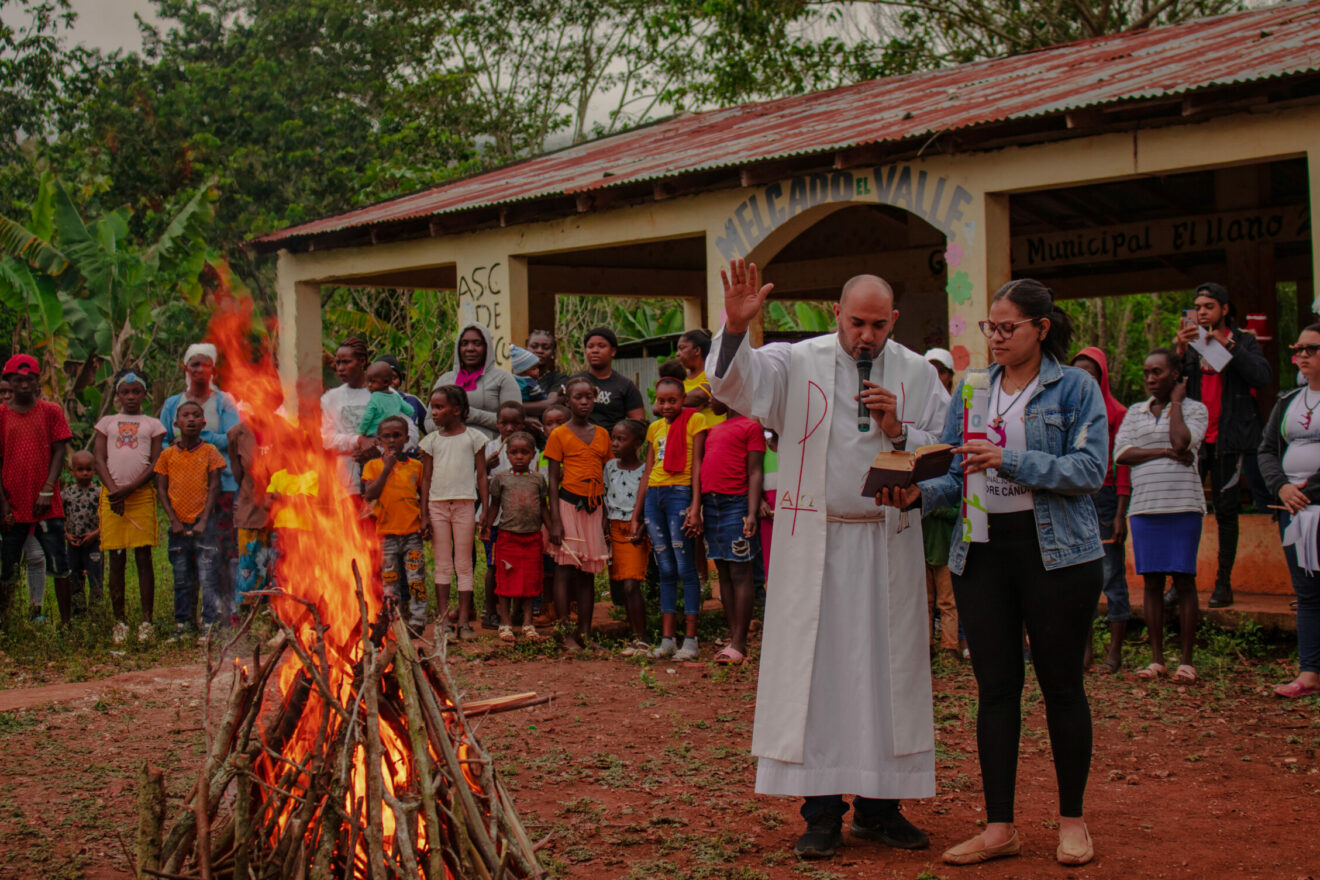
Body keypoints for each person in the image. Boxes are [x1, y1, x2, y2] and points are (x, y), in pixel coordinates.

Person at [709, 260, 949, 859]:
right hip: (812, 543)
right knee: (817, 679)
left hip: (886, 542)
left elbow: (939, 447)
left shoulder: (917, 372)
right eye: (855, 322)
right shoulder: (799, 360)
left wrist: (899, 432)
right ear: (835, 315)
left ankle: (878, 808)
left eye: (877, 325)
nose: (865, 336)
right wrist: (737, 328)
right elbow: (736, 386)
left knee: (884, 676)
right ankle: (819, 813)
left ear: (893, 321)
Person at [917, 278, 1107, 868]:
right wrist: (913, 495)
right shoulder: (973, 390)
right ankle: (1000, 827)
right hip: (983, 552)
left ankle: (1072, 822)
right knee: (995, 691)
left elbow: (1090, 468)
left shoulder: (1074, 386)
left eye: (1007, 328)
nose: (995, 339)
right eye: (988, 328)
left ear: (1040, 329)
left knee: (1061, 688)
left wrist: (1010, 458)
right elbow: (953, 472)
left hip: (1057, 555)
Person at [1173, 282, 1271, 608]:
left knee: (1227, 513)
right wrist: (1179, 351)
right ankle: (1179, 583)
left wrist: (1227, 344)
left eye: (1209, 306)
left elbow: (1261, 376)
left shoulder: (1244, 341)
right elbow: (1171, 387)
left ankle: (1223, 584)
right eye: (1198, 307)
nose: (1202, 312)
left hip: (1229, 442)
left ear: (1224, 309)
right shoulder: (1191, 344)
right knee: (1186, 513)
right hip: (1195, 443)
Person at [1115, 349, 1208, 685]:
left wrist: (1178, 404)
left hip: (1183, 506)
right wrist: (1165, 452)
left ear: (1176, 374)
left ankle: (1186, 661)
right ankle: (1157, 660)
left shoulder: (1196, 410)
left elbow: (1182, 442)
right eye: (1147, 373)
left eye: (1158, 372)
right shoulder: (1134, 413)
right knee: (1151, 583)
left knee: (1184, 581)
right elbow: (1122, 454)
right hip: (1144, 508)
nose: (1151, 379)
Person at [1256, 323, 1320, 698]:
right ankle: (1309, 673)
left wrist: (1307, 490)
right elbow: (1266, 450)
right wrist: (1281, 486)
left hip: (1311, 501)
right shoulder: (1288, 401)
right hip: (1292, 510)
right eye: (1299, 349)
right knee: (1307, 593)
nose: (1303, 355)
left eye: (1312, 348)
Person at [159, 343, 241, 621]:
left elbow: (233, 437)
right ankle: (187, 618)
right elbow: (162, 441)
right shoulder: (172, 404)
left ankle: (226, 609)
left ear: (213, 369)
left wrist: (199, 439)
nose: (199, 369)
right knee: (187, 555)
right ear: (186, 368)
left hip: (224, 486)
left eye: (205, 364)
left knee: (224, 550)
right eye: (194, 364)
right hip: (184, 490)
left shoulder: (224, 401)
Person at [635, 377, 708, 661]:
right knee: (664, 567)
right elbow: (647, 470)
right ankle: (667, 640)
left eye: (672, 400)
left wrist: (695, 505)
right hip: (655, 496)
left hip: (680, 493)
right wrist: (636, 514)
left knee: (685, 566)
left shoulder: (696, 420)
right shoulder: (654, 429)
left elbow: (699, 464)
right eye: (661, 401)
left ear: (682, 400)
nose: (666, 406)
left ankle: (690, 640)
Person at [1071, 346, 1134, 673]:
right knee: (1080, 578)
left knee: (1111, 575)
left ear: (1103, 377)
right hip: (1075, 495)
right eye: (1079, 375)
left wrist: (1121, 512)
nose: (1085, 382)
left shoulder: (1117, 412)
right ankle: (1085, 652)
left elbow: (1123, 465)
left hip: (1107, 497)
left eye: (1092, 375)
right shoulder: (1069, 409)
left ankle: (1115, 653)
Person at [0, 354, 74, 626]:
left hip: (48, 505)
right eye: (17, 380)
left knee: (59, 563)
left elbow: (59, 450)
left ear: (37, 381)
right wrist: (4, 506)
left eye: (29, 380)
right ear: (8, 381)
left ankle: (66, 624)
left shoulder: (51, 411)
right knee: (8, 567)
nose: (23, 386)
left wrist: (47, 488)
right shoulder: (1, 415)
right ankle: (5, 626)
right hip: (13, 505)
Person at [94, 370, 166, 642]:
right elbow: (99, 459)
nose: (131, 397)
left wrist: (129, 489)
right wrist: (114, 491)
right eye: (125, 392)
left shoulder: (153, 425)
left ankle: (146, 622)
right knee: (116, 558)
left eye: (136, 392)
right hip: (112, 498)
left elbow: (155, 463)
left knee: (143, 557)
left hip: (140, 496)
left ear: (145, 394)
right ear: (118, 395)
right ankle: (119, 622)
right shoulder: (107, 423)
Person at [544, 376, 612, 651]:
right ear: (567, 400)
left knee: (587, 573)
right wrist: (556, 522)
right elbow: (551, 481)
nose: (584, 402)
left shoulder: (603, 435)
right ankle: (563, 631)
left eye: (588, 397)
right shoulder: (559, 435)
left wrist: (605, 516)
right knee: (564, 570)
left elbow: (605, 476)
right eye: (578, 398)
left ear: (594, 398)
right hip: (567, 507)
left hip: (593, 510)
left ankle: (585, 631)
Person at [419, 384, 489, 640]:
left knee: (464, 563)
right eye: (432, 408)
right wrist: (424, 513)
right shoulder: (431, 441)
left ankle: (464, 622)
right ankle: (442, 620)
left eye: (439, 407)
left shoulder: (474, 438)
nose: (434, 413)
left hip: (465, 505)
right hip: (437, 506)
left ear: (456, 410)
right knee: (442, 564)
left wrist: (485, 508)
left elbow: (482, 475)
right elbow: (425, 479)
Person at [154, 400, 226, 636]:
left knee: (208, 575)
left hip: (205, 522)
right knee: (182, 577)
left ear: (204, 422)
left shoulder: (210, 453)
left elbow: (215, 487)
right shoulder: (167, 455)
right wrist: (173, 520)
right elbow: (161, 489)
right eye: (186, 415)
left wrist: (204, 520)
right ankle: (183, 623)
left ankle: (209, 623)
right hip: (178, 525)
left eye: (196, 415)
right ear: (176, 423)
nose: (191, 419)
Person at [700, 397, 764, 665]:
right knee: (723, 572)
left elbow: (755, 472)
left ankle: (740, 643)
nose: (710, 400)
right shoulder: (713, 430)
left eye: (714, 394)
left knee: (740, 572)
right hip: (711, 505)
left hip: (735, 504)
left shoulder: (751, 427)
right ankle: (733, 636)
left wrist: (751, 512)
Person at [480, 431, 549, 641]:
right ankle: (505, 623)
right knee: (505, 581)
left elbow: (543, 508)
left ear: (533, 454)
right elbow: (494, 506)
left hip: (532, 538)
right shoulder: (501, 479)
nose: (519, 457)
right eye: (514, 452)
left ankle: (528, 623)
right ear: (506, 455)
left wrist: (553, 527)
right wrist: (486, 525)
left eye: (524, 452)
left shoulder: (538, 479)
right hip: (507, 537)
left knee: (530, 581)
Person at [363, 416, 429, 631]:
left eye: (397, 435)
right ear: (379, 440)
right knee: (390, 582)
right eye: (387, 437)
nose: (392, 440)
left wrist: (425, 520)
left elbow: (424, 495)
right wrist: (387, 468)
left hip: (412, 534)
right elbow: (370, 493)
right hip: (386, 535)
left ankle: (418, 621)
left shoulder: (416, 467)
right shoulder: (372, 466)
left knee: (415, 579)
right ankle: (395, 620)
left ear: (406, 438)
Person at [921, 348, 961, 662]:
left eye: (940, 370)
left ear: (949, 374)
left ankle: (949, 645)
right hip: (923, 527)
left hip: (945, 529)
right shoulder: (918, 407)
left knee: (947, 597)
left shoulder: (957, 410)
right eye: (929, 369)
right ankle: (926, 644)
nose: (936, 376)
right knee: (924, 595)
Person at [0, 376, 48, 620]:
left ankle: (34, 610)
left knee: (35, 556)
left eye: (10, 392)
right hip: (7, 505)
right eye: (3, 392)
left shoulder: (28, 417)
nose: (7, 397)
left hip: (22, 507)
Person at [480, 400, 530, 629]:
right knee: (494, 565)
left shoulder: (530, 450)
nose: (509, 428)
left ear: (523, 424)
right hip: (496, 519)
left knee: (520, 566)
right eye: (504, 423)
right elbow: (478, 482)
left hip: (521, 520)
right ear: (497, 424)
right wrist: (486, 467)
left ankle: (517, 612)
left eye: (515, 423)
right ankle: (491, 612)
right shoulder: (489, 449)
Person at [429, 322, 519, 439]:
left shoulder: (503, 378)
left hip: (490, 451)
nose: (470, 349)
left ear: (487, 347)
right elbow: (428, 423)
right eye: (464, 343)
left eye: (477, 343)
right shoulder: (445, 380)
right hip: (449, 449)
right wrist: (450, 419)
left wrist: (474, 415)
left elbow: (515, 421)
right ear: (458, 348)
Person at [605, 418, 649, 655]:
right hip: (614, 528)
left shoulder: (645, 470)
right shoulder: (610, 467)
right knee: (621, 584)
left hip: (633, 529)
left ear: (637, 443)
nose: (615, 443)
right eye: (613, 438)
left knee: (632, 583)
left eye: (621, 439)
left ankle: (640, 638)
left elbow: (647, 501)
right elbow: (604, 497)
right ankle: (632, 635)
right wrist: (604, 529)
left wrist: (642, 526)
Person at [228, 407, 274, 611]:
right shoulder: (237, 433)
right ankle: (247, 608)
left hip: (281, 509)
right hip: (250, 506)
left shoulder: (285, 430)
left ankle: (274, 607)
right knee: (249, 560)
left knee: (277, 561)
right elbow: (238, 474)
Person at [575, 327, 646, 431]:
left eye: (601, 346)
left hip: (611, 444)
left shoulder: (626, 386)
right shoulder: (575, 382)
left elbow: (639, 425)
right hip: (576, 443)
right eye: (590, 347)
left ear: (613, 351)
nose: (595, 350)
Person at [63, 451, 103, 617]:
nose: (85, 473)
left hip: (94, 542)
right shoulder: (66, 494)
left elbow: (106, 519)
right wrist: (67, 535)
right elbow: (61, 517)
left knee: (95, 578)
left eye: (88, 469)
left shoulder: (100, 493)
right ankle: (78, 613)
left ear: (94, 470)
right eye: (80, 469)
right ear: (72, 471)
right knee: (74, 578)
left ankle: (96, 614)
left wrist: (95, 534)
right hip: (73, 543)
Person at [358, 360, 414, 441]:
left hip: (374, 434)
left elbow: (367, 417)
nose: (369, 385)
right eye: (368, 381)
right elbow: (410, 411)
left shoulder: (375, 397)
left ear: (386, 382)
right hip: (392, 435)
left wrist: (360, 432)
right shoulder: (396, 398)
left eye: (373, 381)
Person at [373, 354, 427, 431]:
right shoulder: (365, 403)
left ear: (399, 381)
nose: (388, 382)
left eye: (393, 377)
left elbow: (434, 429)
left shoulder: (412, 401)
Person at [524, 329, 569, 418]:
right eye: (534, 346)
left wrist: (517, 407)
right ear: (526, 349)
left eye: (546, 347)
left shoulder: (559, 378)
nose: (539, 351)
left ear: (553, 352)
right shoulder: (516, 377)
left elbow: (550, 405)